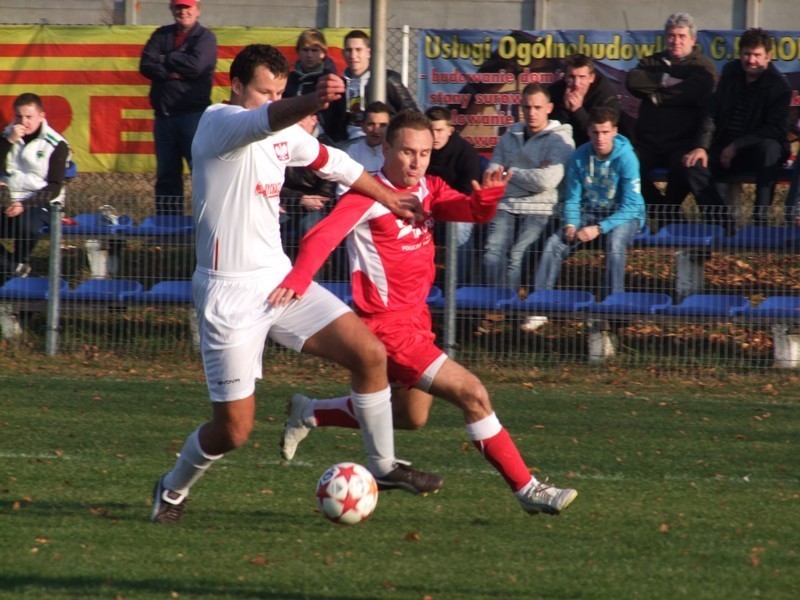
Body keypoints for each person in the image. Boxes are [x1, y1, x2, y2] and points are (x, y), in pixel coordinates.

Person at [150, 44, 442, 525]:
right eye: (264, 91)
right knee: (234, 431)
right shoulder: (218, 123)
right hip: (228, 294)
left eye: (280, 91)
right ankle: (173, 488)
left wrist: (391, 199)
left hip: (277, 282)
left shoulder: (281, 132)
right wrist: (311, 100)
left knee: (369, 354)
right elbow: (268, 119)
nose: (272, 99)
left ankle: (384, 466)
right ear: (236, 86)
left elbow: (338, 165)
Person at [270, 110, 578, 516]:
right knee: (473, 394)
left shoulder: (429, 189)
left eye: (425, 153)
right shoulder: (366, 196)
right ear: (387, 149)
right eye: (408, 153)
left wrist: (486, 197)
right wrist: (298, 279)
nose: (417, 163)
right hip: (386, 329)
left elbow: (470, 212)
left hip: (418, 321)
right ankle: (529, 489)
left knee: (411, 417)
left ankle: (311, 411)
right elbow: (320, 236)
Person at [683, 28, 792, 230]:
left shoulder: (779, 87)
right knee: (693, 165)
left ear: (768, 57)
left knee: (770, 148)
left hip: (756, 153)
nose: (751, 60)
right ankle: (723, 226)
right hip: (724, 148)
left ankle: (760, 224)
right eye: (746, 54)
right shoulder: (730, 73)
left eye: (757, 55)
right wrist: (701, 146)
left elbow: (775, 129)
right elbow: (712, 112)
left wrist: (736, 146)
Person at [534, 106, 645, 298]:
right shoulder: (579, 156)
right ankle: (540, 302)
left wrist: (600, 228)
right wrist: (571, 223)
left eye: (605, 132)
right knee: (555, 242)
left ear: (614, 131)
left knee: (615, 242)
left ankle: (614, 303)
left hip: (624, 216)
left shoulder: (627, 158)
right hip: (590, 212)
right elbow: (573, 198)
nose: (600, 138)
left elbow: (632, 206)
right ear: (588, 131)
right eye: (595, 132)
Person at [481, 83, 575, 295]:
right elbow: (491, 175)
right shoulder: (509, 136)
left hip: (540, 208)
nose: (532, 113)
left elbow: (546, 181)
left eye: (538, 107)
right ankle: (494, 304)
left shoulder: (561, 139)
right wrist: (529, 174)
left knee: (517, 255)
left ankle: (510, 308)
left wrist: (509, 171)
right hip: (506, 205)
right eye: (527, 107)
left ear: (549, 108)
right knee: (491, 254)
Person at [625, 13, 716, 225]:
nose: (676, 41)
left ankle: (670, 211)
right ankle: (663, 210)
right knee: (626, 165)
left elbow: (696, 91)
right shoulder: (652, 61)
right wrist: (664, 79)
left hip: (682, 144)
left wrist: (656, 94)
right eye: (671, 36)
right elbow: (633, 81)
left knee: (684, 167)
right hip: (648, 143)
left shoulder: (703, 66)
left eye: (682, 36)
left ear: (693, 39)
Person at [140, 0, 217, 215]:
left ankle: (206, 225)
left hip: (193, 118)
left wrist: (166, 58)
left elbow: (195, 66)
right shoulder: (161, 34)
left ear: (197, 10)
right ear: (172, 9)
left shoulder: (206, 38)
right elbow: (146, 64)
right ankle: (168, 232)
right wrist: (170, 71)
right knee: (167, 175)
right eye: (179, 8)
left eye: (188, 8)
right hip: (164, 118)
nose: (183, 12)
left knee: (201, 173)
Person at [0, 93, 70, 282]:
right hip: (9, 200)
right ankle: (15, 267)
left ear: (42, 116)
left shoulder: (56, 144)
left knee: (25, 223)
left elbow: (55, 186)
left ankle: (16, 269)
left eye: (29, 117)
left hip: (42, 204)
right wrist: (9, 142)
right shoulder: (8, 136)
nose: (24, 122)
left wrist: (24, 204)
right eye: (19, 116)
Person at [425, 105, 484, 284]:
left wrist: (441, 206)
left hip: (456, 210)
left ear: (450, 130)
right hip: (424, 209)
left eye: (440, 130)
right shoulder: (418, 150)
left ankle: (459, 287)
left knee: (459, 226)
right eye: (430, 130)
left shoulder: (466, 154)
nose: (435, 136)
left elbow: (467, 195)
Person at [340, 29, 418, 140]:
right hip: (350, 143)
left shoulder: (387, 79)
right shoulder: (340, 83)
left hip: (383, 142)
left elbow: (411, 114)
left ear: (368, 53)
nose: (353, 55)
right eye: (349, 50)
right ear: (343, 53)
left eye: (358, 50)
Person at [280, 113, 337, 256]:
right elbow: (274, 185)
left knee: (309, 228)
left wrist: (304, 200)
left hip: (318, 208)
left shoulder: (327, 147)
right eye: (294, 119)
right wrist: (299, 198)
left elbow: (326, 194)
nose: (298, 123)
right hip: (286, 204)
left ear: (314, 120)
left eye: (302, 118)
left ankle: (309, 276)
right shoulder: (281, 146)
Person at [284, 28, 347, 143]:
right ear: (298, 52)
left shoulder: (331, 81)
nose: (309, 55)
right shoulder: (288, 80)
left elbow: (339, 118)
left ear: (323, 53)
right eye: (305, 50)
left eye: (314, 50)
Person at [549, 53, 621, 148]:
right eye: (572, 77)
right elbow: (551, 129)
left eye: (582, 77)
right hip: (560, 146)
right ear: (565, 77)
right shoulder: (555, 90)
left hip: (593, 149)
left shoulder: (605, 96)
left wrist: (578, 111)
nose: (576, 83)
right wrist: (565, 109)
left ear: (591, 77)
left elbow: (600, 135)